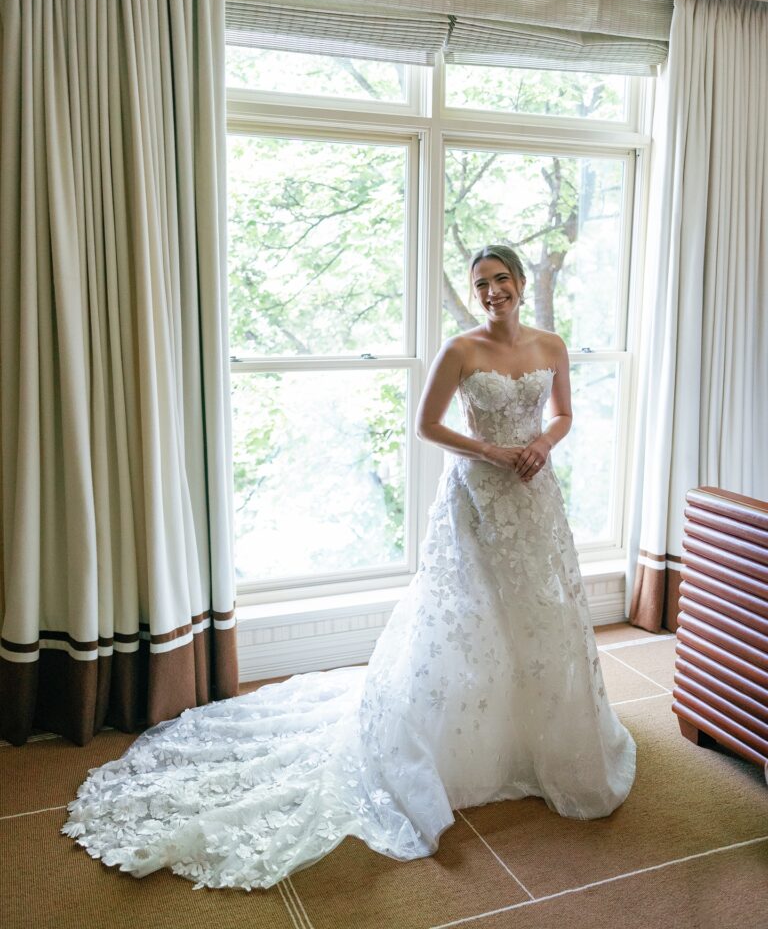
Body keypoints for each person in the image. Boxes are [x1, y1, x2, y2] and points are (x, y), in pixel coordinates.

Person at [63, 245, 636, 891]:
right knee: (471, 616)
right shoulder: (461, 351)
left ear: (522, 282)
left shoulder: (551, 345)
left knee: (538, 613)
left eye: (501, 279)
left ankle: (539, 739)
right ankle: (456, 749)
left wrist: (539, 443)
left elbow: (563, 412)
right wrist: (490, 450)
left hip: (535, 497)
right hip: (476, 497)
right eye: (481, 283)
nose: (492, 291)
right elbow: (426, 425)